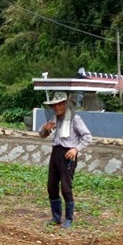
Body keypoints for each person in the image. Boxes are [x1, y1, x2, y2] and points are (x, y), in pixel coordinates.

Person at [39, 92, 92, 229]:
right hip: (56, 153)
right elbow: (42, 135)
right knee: (51, 186)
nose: (57, 107)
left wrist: (75, 149)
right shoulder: (54, 119)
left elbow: (87, 137)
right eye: (54, 105)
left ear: (65, 104)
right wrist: (45, 129)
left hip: (68, 155)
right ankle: (56, 217)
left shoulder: (75, 119)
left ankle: (68, 218)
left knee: (66, 188)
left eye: (60, 104)